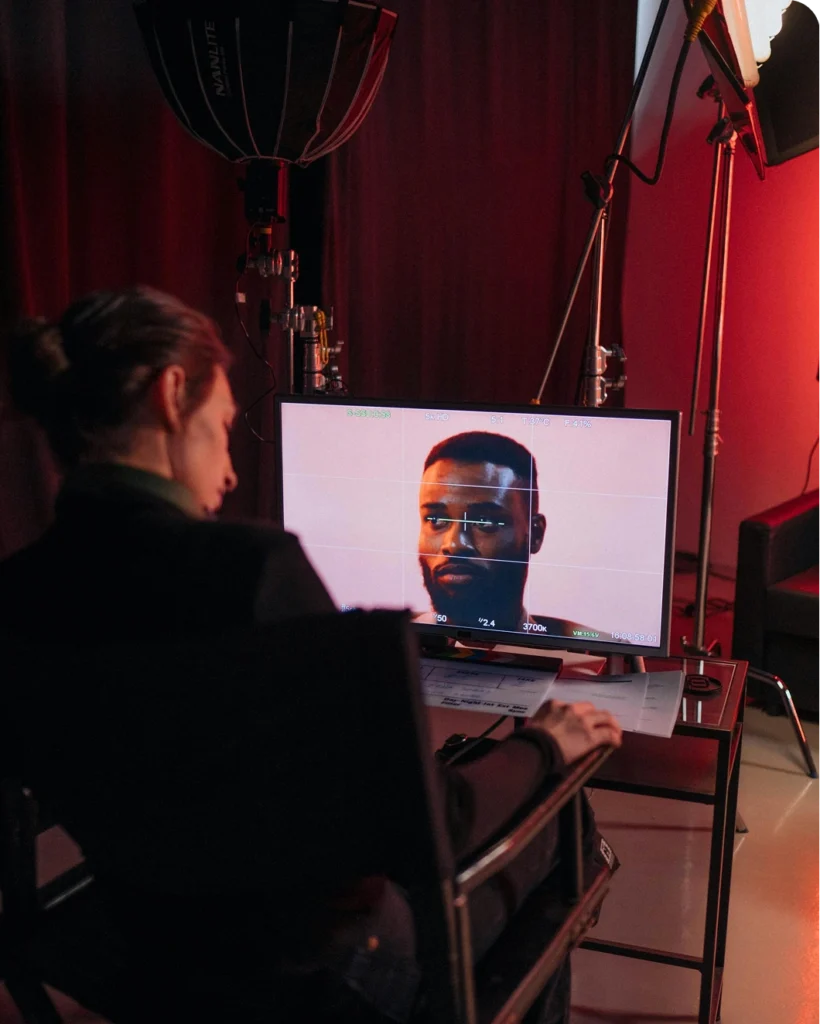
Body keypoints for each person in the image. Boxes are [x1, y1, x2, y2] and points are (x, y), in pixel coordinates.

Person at [0, 287, 621, 1023]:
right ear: (172, 395)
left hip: (141, 948)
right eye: (224, 430)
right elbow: (434, 832)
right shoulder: (252, 569)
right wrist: (548, 744)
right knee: (563, 813)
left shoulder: (16, 593)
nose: (229, 473)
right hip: (315, 973)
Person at [416, 431, 601, 640]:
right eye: (436, 520)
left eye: (485, 522)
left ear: (535, 534)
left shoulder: (594, 652)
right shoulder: (384, 642)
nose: (454, 543)